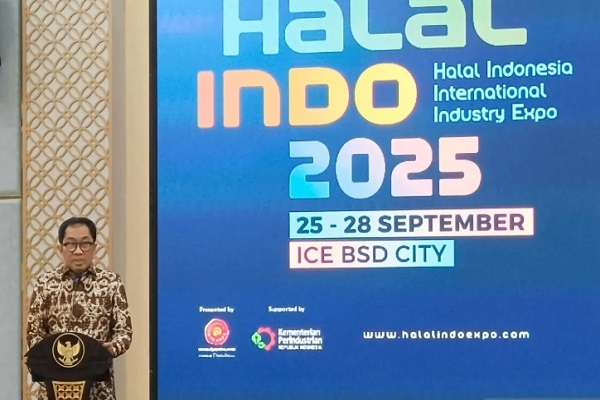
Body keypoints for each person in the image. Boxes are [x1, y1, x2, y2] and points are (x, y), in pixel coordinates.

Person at [26, 217, 133, 400]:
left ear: (94, 247)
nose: (78, 251)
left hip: (98, 388)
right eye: (70, 244)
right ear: (60, 248)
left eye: (85, 244)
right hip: (55, 385)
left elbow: (124, 331)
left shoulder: (111, 283)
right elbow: (33, 332)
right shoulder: (45, 284)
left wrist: (111, 348)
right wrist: (49, 353)